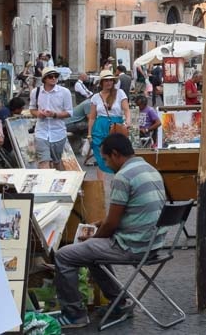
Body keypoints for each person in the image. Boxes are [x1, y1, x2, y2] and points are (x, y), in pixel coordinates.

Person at [54, 133, 167, 329]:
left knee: (64, 256)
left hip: (133, 246)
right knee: (92, 252)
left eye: (106, 159)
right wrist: (100, 225)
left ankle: (74, 315)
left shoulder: (123, 177)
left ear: (115, 154)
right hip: (154, 244)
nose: (106, 164)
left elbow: (112, 225)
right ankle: (119, 302)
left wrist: (92, 238)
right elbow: (126, 213)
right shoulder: (149, 168)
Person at [30, 69, 73, 169]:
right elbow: (32, 109)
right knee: (43, 161)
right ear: (44, 79)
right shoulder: (35, 92)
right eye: (50, 76)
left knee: (56, 162)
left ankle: (58, 182)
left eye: (56, 76)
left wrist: (54, 115)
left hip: (58, 132)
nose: (54, 78)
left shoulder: (65, 92)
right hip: (41, 131)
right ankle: (45, 183)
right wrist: (39, 114)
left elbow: (69, 112)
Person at [89, 69, 131, 172]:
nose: (109, 83)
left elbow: (126, 110)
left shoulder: (120, 93)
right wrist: (89, 134)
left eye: (111, 80)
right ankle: (101, 184)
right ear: (101, 82)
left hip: (115, 126)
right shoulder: (95, 97)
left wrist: (127, 122)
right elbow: (92, 117)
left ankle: (118, 176)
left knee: (116, 153)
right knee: (99, 153)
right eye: (106, 80)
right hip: (100, 126)